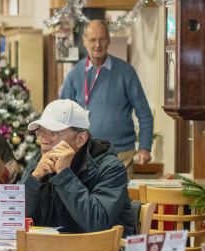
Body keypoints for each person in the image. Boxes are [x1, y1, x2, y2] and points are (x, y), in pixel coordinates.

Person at [22, 99, 137, 235]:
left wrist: (64, 174)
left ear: (80, 139)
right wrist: (35, 179)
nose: (44, 140)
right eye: (41, 132)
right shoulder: (38, 163)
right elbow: (14, 217)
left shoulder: (110, 168)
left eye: (53, 133)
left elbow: (97, 224)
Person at [59, 20, 154, 169]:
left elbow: (144, 113)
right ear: (84, 41)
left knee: (120, 193)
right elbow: (62, 117)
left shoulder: (126, 72)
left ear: (109, 40)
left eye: (102, 39)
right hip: (84, 156)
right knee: (85, 194)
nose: (98, 44)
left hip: (121, 155)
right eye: (92, 40)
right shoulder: (74, 75)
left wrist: (145, 148)